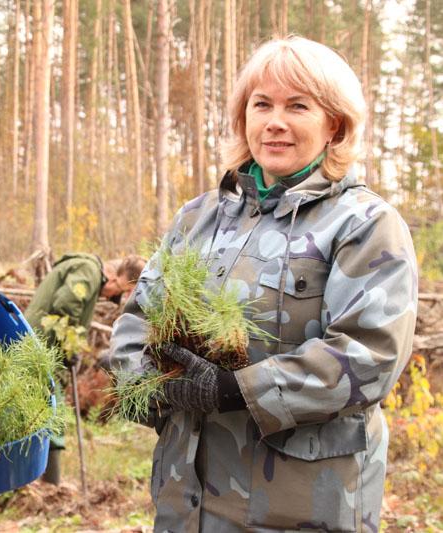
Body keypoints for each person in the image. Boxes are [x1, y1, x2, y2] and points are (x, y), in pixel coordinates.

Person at [110, 36, 417, 532]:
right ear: (243, 117)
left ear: (333, 124)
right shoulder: (198, 218)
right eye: (262, 104)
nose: (275, 121)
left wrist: (235, 390)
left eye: (298, 106)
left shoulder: (363, 223)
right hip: (186, 505)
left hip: (299, 509)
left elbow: (370, 354)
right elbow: (135, 324)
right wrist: (159, 388)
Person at [25, 253, 145, 484]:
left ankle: (40, 485)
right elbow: (66, 303)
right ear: (115, 280)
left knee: (42, 412)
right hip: (40, 351)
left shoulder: (87, 270)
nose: (108, 297)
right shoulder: (88, 270)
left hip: (45, 349)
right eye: (117, 293)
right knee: (50, 412)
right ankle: (50, 487)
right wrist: (71, 347)